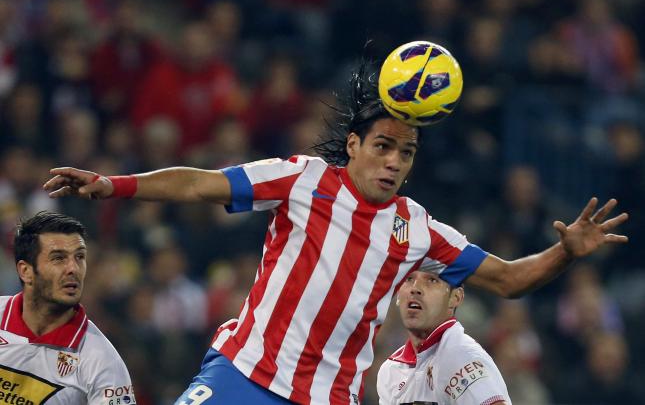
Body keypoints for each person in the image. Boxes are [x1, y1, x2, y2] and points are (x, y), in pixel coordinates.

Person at [43, 65, 628, 405]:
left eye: (406, 153)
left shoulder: (419, 230)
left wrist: (565, 252)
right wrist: (114, 184)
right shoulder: (303, 179)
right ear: (353, 145)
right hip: (244, 374)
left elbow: (508, 280)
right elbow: (200, 184)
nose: (394, 161)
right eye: (383, 146)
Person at [0, 211, 136, 404]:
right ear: (26, 271)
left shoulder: (102, 361)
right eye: (58, 258)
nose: (73, 268)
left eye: (79, 257)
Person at [377, 270, 510, 405]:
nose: (415, 288)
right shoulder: (390, 370)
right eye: (409, 278)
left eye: (432, 280)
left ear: (455, 297)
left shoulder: (462, 356)